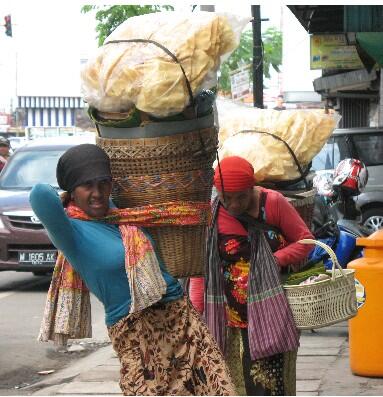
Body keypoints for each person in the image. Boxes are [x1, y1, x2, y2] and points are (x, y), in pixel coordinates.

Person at [30, 144, 235, 396]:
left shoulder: (122, 215)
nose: (97, 193)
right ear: (72, 190)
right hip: (136, 334)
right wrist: (67, 190)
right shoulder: (70, 232)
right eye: (87, 185)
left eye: (104, 183)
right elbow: (40, 194)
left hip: (181, 319)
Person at [189, 156, 314, 396]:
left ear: (252, 188)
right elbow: (202, 267)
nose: (234, 204)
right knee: (237, 384)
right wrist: (197, 312)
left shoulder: (274, 203)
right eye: (227, 197)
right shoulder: (212, 215)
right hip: (230, 319)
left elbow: (305, 241)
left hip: (271, 313)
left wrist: (273, 260)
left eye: (241, 197)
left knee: (269, 384)